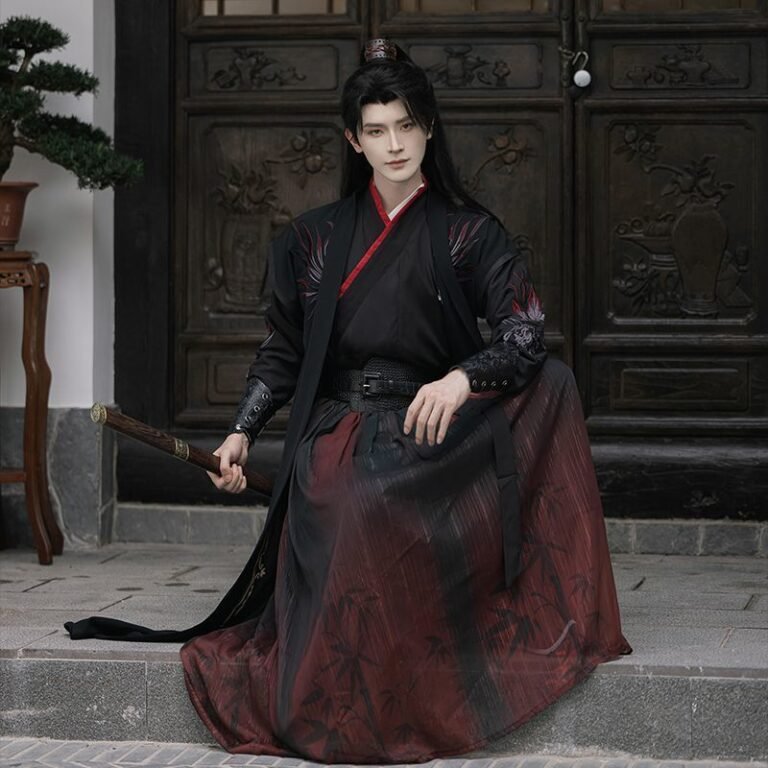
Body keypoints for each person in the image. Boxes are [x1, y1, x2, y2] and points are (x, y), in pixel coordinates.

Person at [67, 39, 630, 763]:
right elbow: (284, 350)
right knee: (355, 500)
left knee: (553, 382)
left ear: (429, 128)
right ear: (353, 141)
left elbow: (525, 335)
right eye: (376, 130)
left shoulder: (469, 233)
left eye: (406, 126)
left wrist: (462, 379)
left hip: (433, 427)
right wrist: (241, 432)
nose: (394, 145)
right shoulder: (313, 239)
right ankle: (341, 703)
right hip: (343, 428)